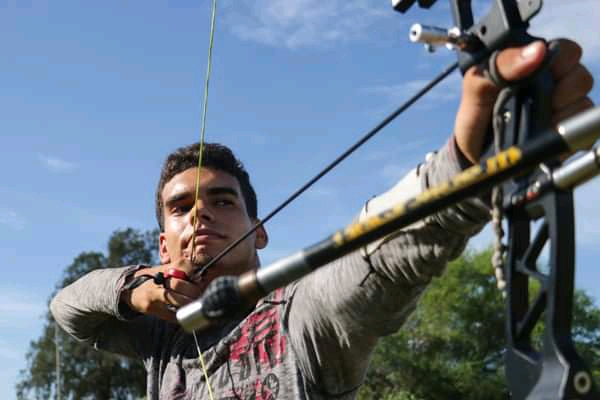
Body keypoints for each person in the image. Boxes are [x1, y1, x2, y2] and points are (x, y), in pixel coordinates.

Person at [51, 39, 593, 399]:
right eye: (180, 208)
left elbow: (377, 257)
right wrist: (135, 290)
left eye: (223, 201)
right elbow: (68, 308)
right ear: (163, 245)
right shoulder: (158, 336)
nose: (201, 215)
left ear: (259, 231)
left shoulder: (300, 315)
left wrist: (469, 164)